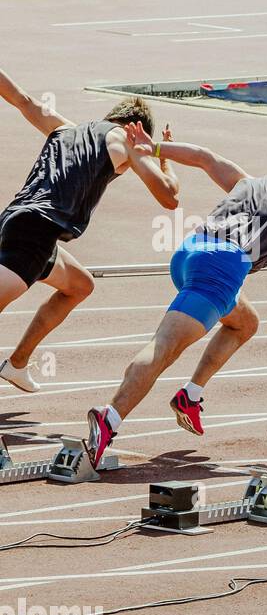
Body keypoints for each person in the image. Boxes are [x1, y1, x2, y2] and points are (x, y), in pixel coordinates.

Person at [86, 131, 267, 467]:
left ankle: (190, 396)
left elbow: (204, 156)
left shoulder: (246, 182)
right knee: (163, 346)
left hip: (189, 253)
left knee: (245, 322)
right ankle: (110, 417)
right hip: (222, 264)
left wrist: (156, 148)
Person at [0, 68, 180, 392]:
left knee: (79, 285)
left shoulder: (63, 127)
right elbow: (169, 196)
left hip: (17, 221)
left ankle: (17, 363)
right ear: (136, 128)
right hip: (37, 229)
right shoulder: (127, 141)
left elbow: (21, 99)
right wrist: (159, 153)